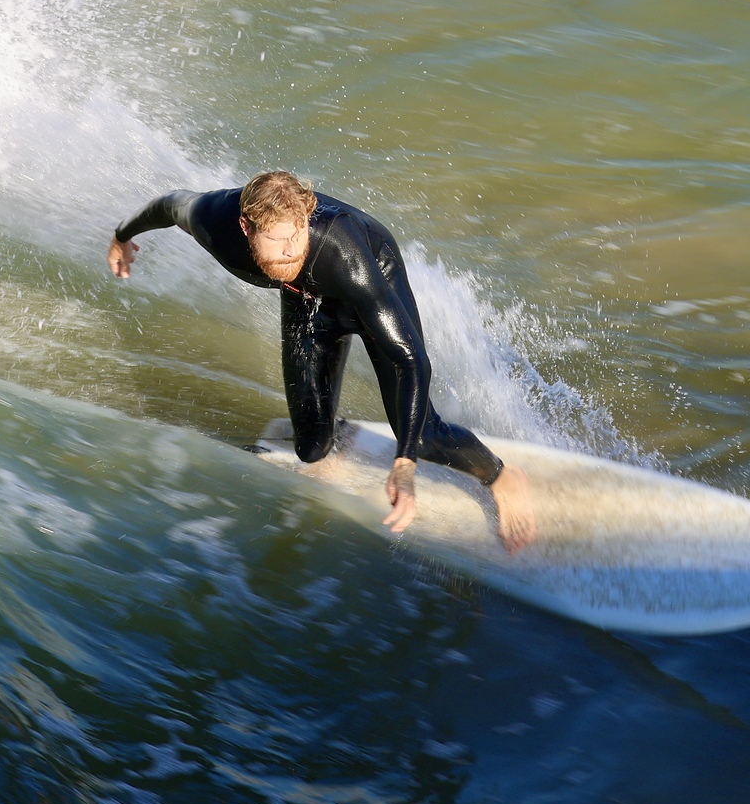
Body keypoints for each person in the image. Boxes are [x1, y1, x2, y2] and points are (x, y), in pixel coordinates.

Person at [107, 171, 538, 552]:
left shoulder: (344, 252)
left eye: (297, 236)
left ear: (307, 219)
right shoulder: (213, 221)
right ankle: (337, 435)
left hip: (370, 287)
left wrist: (404, 462)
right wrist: (122, 236)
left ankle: (501, 477)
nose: (289, 252)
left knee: (421, 434)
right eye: (275, 240)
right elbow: (170, 205)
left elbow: (411, 359)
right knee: (311, 449)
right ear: (245, 227)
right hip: (307, 304)